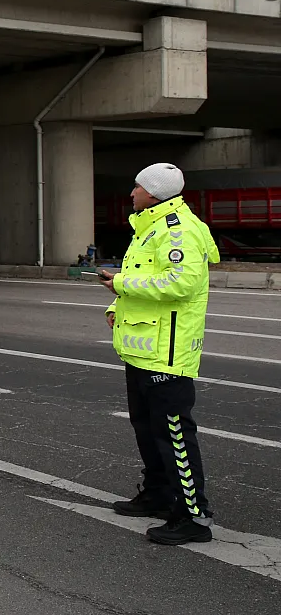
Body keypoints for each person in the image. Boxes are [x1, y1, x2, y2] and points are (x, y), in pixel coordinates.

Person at [98, 163, 219, 546]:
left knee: (174, 435)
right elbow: (145, 279)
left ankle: (192, 517)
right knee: (147, 428)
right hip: (142, 349)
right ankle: (158, 494)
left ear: (155, 192)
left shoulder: (177, 230)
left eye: (137, 187)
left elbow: (179, 283)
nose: (131, 193)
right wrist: (116, 306)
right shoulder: (149, 227)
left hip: (168, 353)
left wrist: (119, 281)